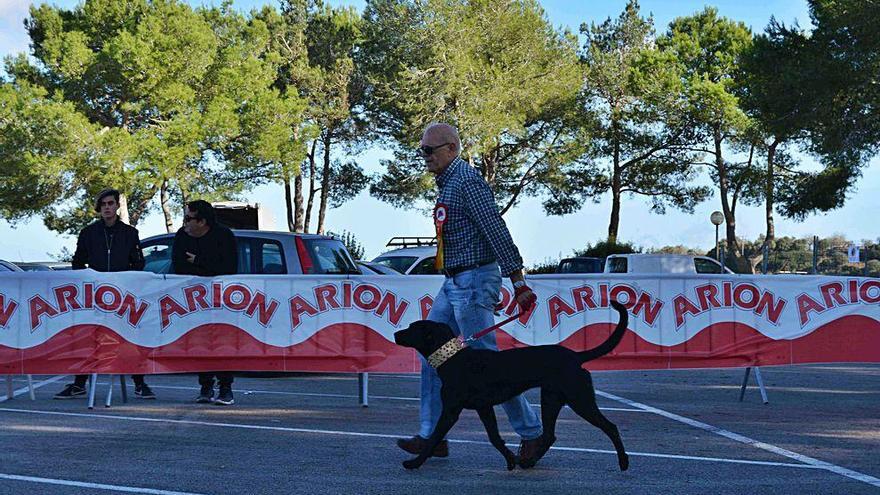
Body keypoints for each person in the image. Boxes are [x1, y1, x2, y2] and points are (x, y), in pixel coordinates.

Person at [396, 123, 545, 467]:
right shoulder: (450, 183)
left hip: (475, 279)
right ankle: (433, 436)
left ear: (451, 149)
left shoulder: (467, 182)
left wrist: (518, 282)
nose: (424, 157)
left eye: (428, 151)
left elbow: (495, 229)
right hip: (455, 281)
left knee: (486, 362)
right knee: (434, 353)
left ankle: (531, 432)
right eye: (422, 151)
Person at [54, 189, 155, 400]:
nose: (107, 208)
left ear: (117, 206)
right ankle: (79, 383)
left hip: (123, 295)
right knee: (89, 337)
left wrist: (126, 279)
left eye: (111, 203)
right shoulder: (89, 233)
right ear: (99, 208)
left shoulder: (130, 233)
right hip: (95, 296)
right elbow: (78, 262)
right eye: (103, 205)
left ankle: (139, 383)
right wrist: (89, 279)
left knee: (129, 337)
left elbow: (138, 262)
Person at [171, 200, 238, 406]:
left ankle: (225, 388)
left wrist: (198, 260)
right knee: (201, 342)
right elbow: (178, 264)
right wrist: (203, 263)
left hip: (221, 299)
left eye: (189, 219)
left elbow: (228, 266)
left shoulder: (224, 235)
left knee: (223, 343)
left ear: (202, 221)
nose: (185, 223)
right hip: (193, 300)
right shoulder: (182, 236)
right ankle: (205, 386)